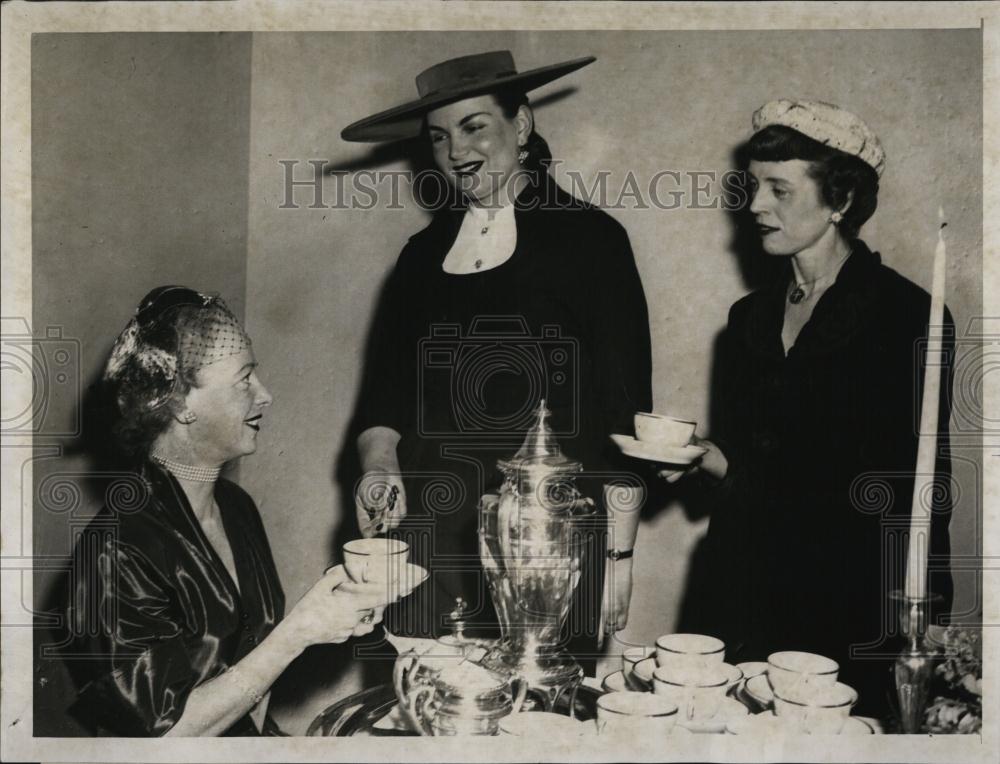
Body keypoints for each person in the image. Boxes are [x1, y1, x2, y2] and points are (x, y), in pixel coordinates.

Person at [341, 51, 652, 658]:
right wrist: (378, 464)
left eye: (474, 126)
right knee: (429, 715)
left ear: (523, 124)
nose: (456, 151)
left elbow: (627, 419)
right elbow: (384, 397)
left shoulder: (593, 241)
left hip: (547, 545)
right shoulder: (419, 258)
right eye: (439, 136)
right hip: (432, 535)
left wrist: (620, 555)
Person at [664, 100, 953, 718]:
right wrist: (704, 458)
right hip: (740, 590)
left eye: (779, 190)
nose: (755, 206)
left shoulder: (906, 316)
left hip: (845, 604)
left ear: (840, 200)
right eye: (753, 187)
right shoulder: (748, 321)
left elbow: (916, 485)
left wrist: (926, 617)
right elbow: (750, 455)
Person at [68, 286, 410, 736]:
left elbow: (249, 680)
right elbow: (162, 738)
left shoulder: (236, 507)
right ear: (181, 403)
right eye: (244, 379)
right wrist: (299, 632)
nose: (265, 395)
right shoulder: (117, 549)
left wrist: (332, 604)